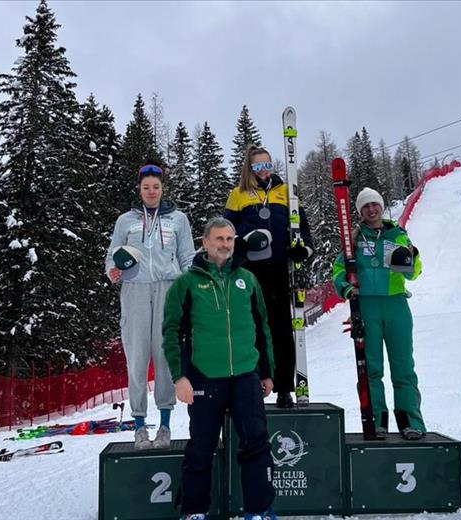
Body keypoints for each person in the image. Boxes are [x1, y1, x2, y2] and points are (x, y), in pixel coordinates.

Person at [162, 217, 277, 520]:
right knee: (201, 448)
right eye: (219, 239)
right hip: (203, 378)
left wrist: (266, 372)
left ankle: (260, 510)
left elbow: (262, 327)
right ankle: (194, 511)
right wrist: (180, 376)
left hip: (244, 376)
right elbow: (171, 332)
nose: (225, 244)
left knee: (256, 445)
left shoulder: (247, 280)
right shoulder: (186, 283)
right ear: (205, 243)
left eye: (229, 239)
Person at [105, 160, 195, 449]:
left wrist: (190, 287)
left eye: (156, 187)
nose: (151, 192)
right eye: (146, 187)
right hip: (134, 290)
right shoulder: (125, 220)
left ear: (162, 187)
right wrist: (113, 271)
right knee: (137, 356)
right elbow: (112, 256)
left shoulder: (178, 219)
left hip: (168, 289)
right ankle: (140, 425)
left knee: (166, 355)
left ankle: (165, 425)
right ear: (140, 188)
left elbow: (188, 257)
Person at [332, 187, 426, 441]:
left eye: (375, 204)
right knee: (371, 368)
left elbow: (413, 273)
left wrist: (412, 256)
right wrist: (346, 287)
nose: (372, 210)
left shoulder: (397, 234)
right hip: (367, 306)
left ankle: (410, 422)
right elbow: (339, 269)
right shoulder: (355, 238)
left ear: (381, 207)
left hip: (396, 305)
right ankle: (376, 422)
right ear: (360, 211)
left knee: (403, 367)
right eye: (366, 206)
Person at [224, 144, 313, 408]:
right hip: (249, 272)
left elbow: (303, 228)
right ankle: (253, 384)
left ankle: (284, 387)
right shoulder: (238, 195)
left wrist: (302, 249)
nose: (263, 171)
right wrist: (241, 245)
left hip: (278, 270)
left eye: (267, 165)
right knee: (250, 329)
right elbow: (225, 232)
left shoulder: (286, 192)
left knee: (281, 330)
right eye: (257, 166)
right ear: (248, 168)